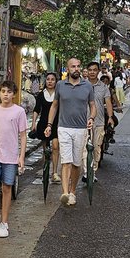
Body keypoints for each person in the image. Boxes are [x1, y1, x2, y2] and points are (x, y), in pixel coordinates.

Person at [45, 57, 95, 206]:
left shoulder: (87, 86)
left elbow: (92, 105)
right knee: (66, 161)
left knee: (76, 163)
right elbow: (54, 105)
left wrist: (91, 117)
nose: (76, 69)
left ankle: (73, 191)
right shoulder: (60, 85)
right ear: (67, 69)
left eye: (78, 66)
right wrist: (49, 124)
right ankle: (65, 193)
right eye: (73, 66)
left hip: (80, 129)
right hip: (63, 127)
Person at [0, 79, 27, 239]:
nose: (6, 94)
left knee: (7, 187)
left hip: (11, 155)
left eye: (9, 92)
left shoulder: (19, 112)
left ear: (14, 94)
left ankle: (4, 222)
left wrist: (21, 156)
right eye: (3, 92)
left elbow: (23, 135)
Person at [32, 70, 61, 182]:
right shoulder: (41, 94)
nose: (50, 82)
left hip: (56, 124)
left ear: (56, 82)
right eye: (48, 79)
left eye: (52, 79)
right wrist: (33, 122)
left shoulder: (58, 94)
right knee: (45, 149)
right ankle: (45, 167)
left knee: (55, 146)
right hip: (43, 124)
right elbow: (36, 109)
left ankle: (54, 172)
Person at [86, 61, 114, 173]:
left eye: (94, 70)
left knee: (96, 147)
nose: (92, 72)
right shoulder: (82, 85)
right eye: (90, 70)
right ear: (87, 71)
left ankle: (93, 171)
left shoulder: (104, 87)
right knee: (83, 149)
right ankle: (85, 171)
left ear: (98, 71)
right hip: (82, 122)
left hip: (99, 122)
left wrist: (111, 117)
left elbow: (108, 103)